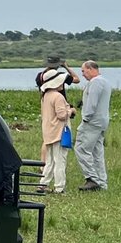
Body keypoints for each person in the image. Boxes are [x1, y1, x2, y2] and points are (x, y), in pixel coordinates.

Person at [38, 66, 75, 194]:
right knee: (60, 160)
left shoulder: (45, 96)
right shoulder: (58, 97)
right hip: (59, 132)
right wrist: (70, 111)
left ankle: (43, 184)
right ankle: (59, 187)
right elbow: (61, 115)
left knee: (50, 160)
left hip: (48, 132)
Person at [75, 60, 111, 191]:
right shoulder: (105, 82)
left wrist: (85, 118)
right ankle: (102, 182)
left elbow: (92, 103)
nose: (83, 74)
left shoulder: (95, 82)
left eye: (83, 71)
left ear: (90, 69)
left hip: (92, 121)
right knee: (97, 152)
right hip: (102, 121)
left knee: (81, 148)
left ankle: (91, 178)